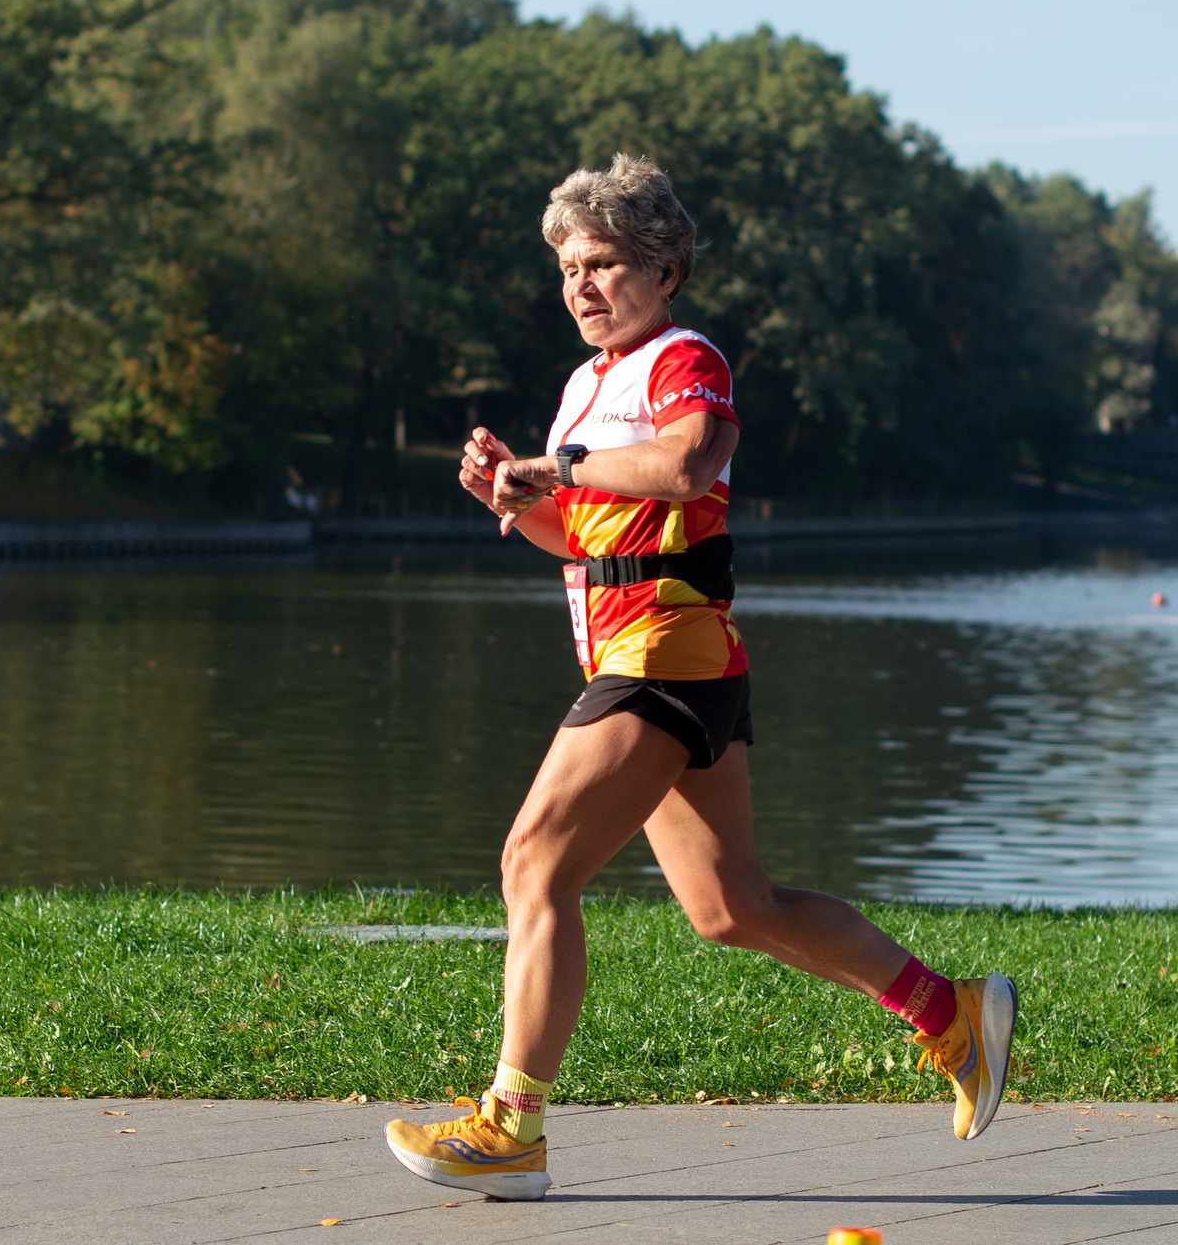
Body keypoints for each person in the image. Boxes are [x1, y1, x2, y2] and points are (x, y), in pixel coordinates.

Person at [384, 154, 1014, 1202]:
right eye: (569, 268)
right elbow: (586, 539)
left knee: (534, 864)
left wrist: (564, 468)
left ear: (665, 268)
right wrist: (511, 493)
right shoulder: (586, 384)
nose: (581, 285)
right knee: (732, 905)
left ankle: (510, 1128)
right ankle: (948, 1015)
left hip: (663, 655)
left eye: (604, 264)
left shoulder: (684, 358)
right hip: (663, 657)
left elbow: (688, 467)